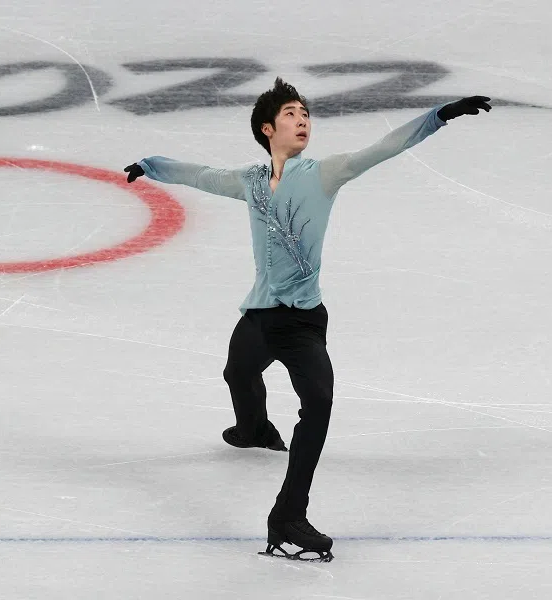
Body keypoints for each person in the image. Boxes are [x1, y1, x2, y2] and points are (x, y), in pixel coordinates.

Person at [124, 78, 491, 562]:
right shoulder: (250, 181)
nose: (303, 121)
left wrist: (441, 114)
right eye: (293, 114)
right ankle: (252, 429)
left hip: (301, 323)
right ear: (267, 128)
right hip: (258, 315)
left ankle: (288, 515)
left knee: (317, 405)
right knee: (238, 373)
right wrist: (151, 166)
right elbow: (202, 174)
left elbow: (385, 147)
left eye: (306, 114)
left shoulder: (324, 174)